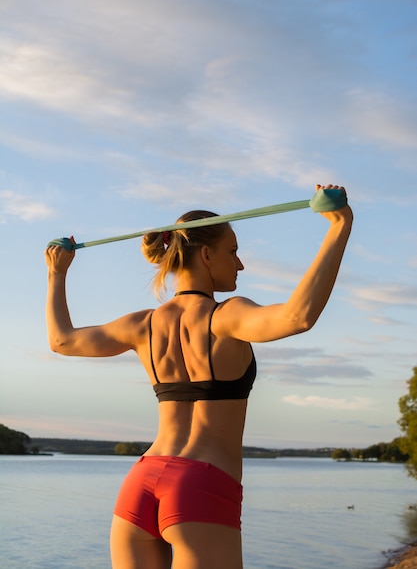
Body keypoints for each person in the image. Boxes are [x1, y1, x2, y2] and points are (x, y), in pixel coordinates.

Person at [45, 184, 353, 569]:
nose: (239, 265)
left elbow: (61, 341)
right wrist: (339, 225)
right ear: (206, 255)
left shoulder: (143, 324)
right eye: (233, 252)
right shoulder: (227, 317)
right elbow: (298, 316)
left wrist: (56, 273)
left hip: (141, 484)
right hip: (200, 487)